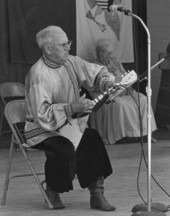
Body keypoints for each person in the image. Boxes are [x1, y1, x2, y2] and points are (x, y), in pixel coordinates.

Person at [24, 26, 117, 211]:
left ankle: (96, 193)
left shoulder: (72, 62)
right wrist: (72, 107)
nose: (68, 48)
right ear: (48, 49)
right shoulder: (38, 74)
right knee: (64, 148)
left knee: (92, 139)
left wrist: (105, 83)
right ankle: (52, 189)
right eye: (64, 45)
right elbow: (41, 114)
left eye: (69, 43)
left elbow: (97, 72)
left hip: (69, 124)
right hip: (43, 130)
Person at [89, 38, 157, 145]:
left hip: (125, 91)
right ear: (98, 52)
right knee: (121, 105)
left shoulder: (115, 62)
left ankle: (145, 134)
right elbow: (93, 84)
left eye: (108, 53)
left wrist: (129, 82)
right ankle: (123, 136)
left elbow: (126, 76)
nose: (106, 55)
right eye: (103, 52)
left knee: (143, 99)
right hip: (108, 96)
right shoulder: (93, 65)